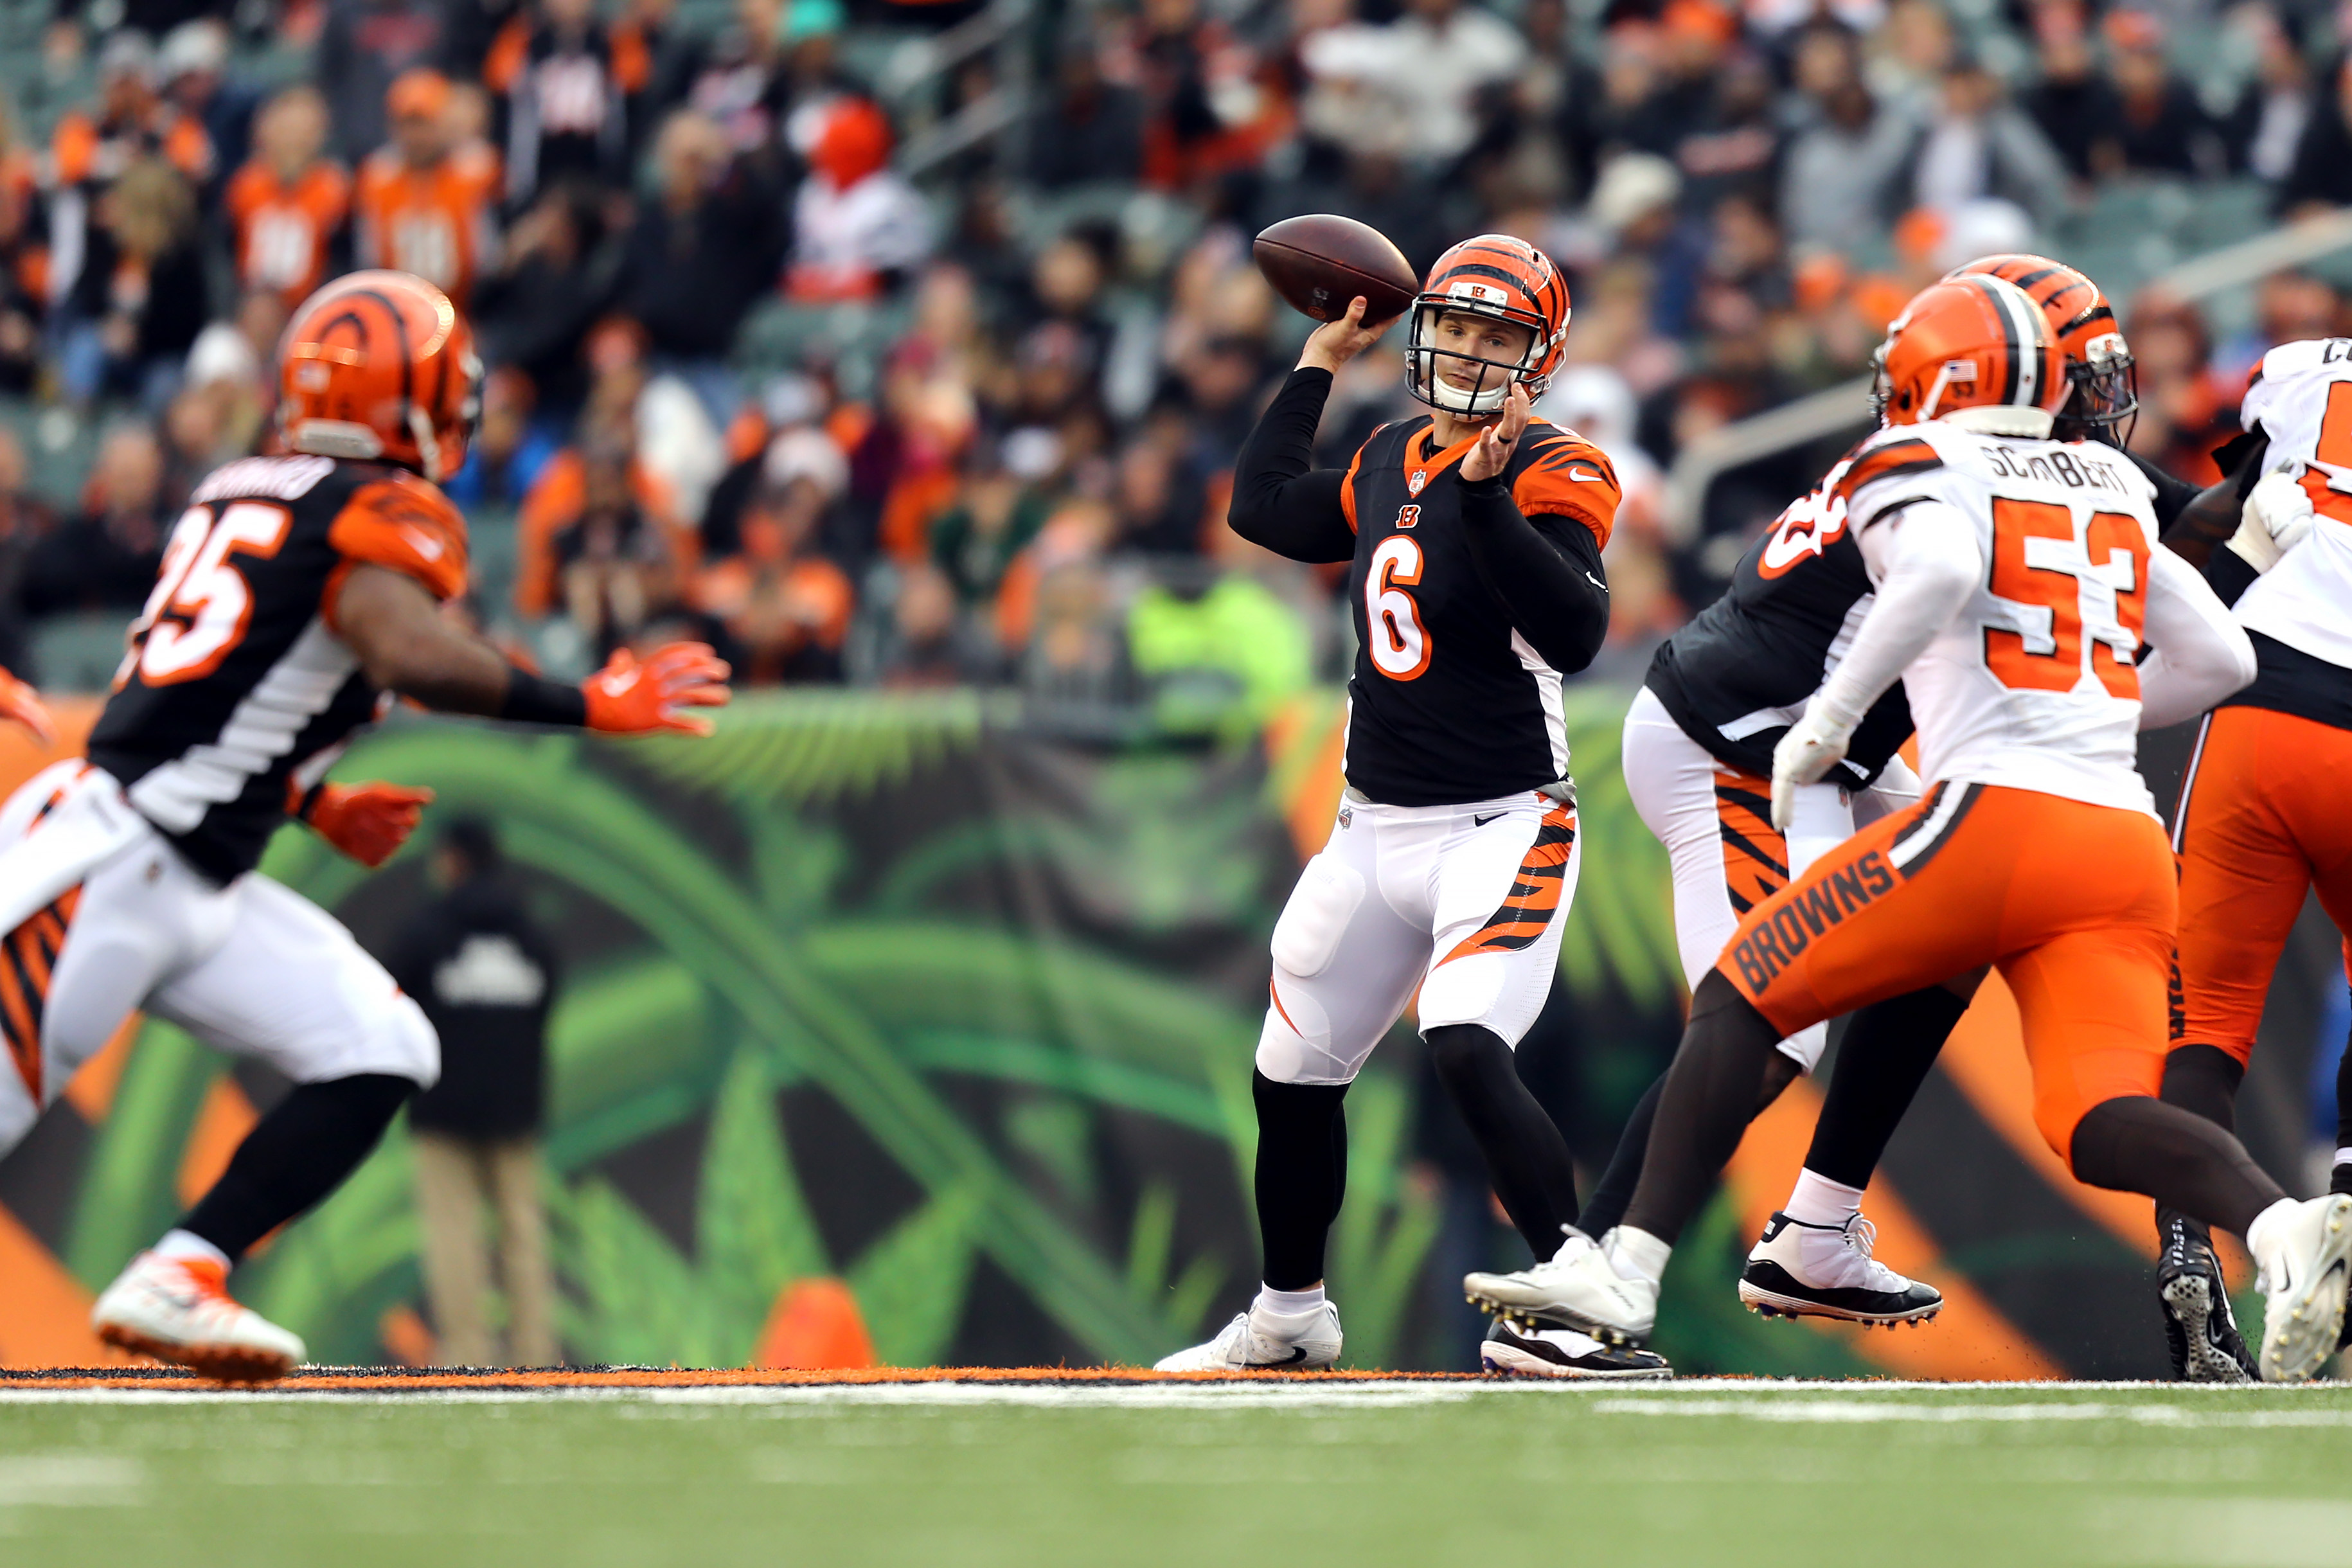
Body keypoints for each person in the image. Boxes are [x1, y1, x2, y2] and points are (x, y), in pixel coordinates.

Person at [1465, 274, 2352, 1384]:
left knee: (1764, 995)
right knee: (2061, 1097)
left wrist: (1845, 724)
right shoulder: (2080, 483)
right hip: (1753, 747)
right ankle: (2279, 1224)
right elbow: (2221, 648)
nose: (2095, 398)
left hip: (1916, 777)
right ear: (2028, 377)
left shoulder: (1927, 459)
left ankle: (1740, 1249)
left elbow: (1953, 568)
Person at [0, 269, 730, 1384]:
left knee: (382, 1045)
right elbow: (409, 652)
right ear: (410, 399)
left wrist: (308, 798)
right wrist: (590, 703)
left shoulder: (245, 491)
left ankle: (183, 1271)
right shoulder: (375, 509)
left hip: (189, 876)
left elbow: (214, 699)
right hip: (111, 865)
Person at [1580, 254, 2153, 1328]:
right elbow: (2190, 547)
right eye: (2072, 379)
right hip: (1743, 748)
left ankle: (1817, 1231)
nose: (2089, 405)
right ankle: (1593, 1271)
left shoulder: (1988, 463)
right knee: (1771, 1019)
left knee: (1963, 920)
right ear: (2006, 382)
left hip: (1816, 751)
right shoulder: (1959, 469)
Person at [1152, 235, 1660, 1380]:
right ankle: (1289, 1315)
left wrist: (1487, 504)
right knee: (1290, 1077)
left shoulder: (1558, 464)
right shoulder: (1388, 450)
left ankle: (1580, 1292)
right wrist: (1317, 363)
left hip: (1502, 820)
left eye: (1499, 337)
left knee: (1467, 1038)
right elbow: (1266, 510)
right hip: (1372, 824)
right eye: (1460, 328)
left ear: (1541, 358)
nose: (1473, 353)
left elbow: (1576, 630)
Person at [2150, 335, 2352, 1380]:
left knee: (2208, 1021)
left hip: (2268, 699)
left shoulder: (2306, 366)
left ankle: (2190, 1249)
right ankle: (2347, 1245)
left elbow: (2226, 508)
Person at [393, 817, 562, 1369]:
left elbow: (390, 999)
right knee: (523, 1234)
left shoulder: (426, 933)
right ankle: (537, 1359)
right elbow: (547, 1002)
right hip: (515, 1111)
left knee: (452, 1236)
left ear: (452, 860)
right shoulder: (532, 939)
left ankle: (466, 1360)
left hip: (442, 1111)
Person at [354, 71, 504, 308]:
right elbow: (368, 262)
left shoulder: (476, 172)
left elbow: (491, 262)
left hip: (468, 307)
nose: (417, 137)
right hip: (398, 313)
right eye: (408, 125)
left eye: (426, 125)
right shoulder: (378, 179)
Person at [224, 87, 351, 314]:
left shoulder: (335, 189)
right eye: (286, 130)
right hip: (252, 313)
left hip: (313, 310)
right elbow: (225, 257)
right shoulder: (245, 186)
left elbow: (342, 262)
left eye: (302, 131)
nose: (292, 140)